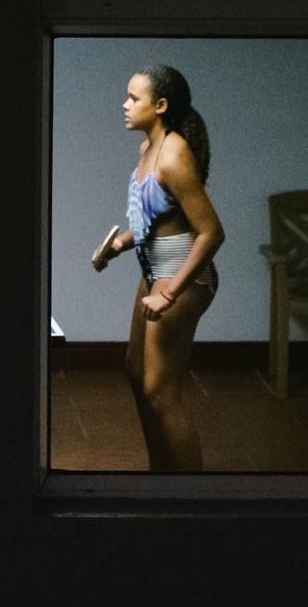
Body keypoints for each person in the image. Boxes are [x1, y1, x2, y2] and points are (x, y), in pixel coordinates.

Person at [90, 65, 225, 470]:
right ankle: (161, 476)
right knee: (135, 372)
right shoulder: (148, 149)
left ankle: (188, 498)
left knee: (159, 391)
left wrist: (170, 291)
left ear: (161, 105)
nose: (126, 104)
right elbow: (151, 221)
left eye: (135, 98)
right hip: (155, 269)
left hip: (184, 274)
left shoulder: (174, 153)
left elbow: (211, 233)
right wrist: (119, 244)